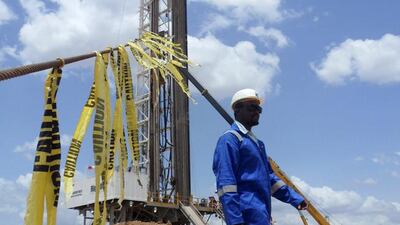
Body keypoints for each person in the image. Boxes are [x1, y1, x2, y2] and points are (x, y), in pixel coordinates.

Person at [213, 88, 308, 225]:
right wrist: (235, 221)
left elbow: (270, 180)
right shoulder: (230, 140)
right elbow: (226, 184)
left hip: (261, 215)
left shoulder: (257, 144)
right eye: (252, 107)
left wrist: (294, 198)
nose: (257, 111)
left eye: (259, 109)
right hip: (245, 217)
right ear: (237, 110)